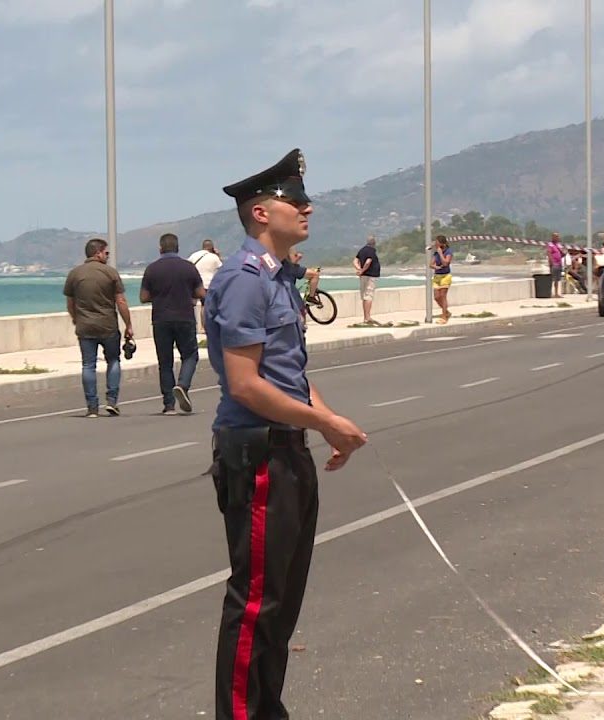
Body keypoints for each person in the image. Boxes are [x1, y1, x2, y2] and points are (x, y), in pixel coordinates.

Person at [204, 148, 367, 720]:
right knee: (256, 605)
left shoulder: (281, 278)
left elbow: (289, 375)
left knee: (282, 603)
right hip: (259, 458)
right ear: (260, 213)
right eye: (293, 199)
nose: (307, 207)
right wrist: (324, 422)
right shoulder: (245, 280)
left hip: (286, 451)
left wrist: (329, 425)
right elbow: (246, 386)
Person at [64, 238, 134, 417]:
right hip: (108, 326)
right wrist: (128, 325)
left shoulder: (75, 274)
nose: (108, 256)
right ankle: (112, 400)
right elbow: (120, 301)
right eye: (106, 253)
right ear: (98, 253)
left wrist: (75, 319)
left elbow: (70, 303)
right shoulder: (110, 273)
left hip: (85, 326)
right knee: (113, 360)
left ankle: (92, 407)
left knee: (88, 365)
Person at [141, 233, 205, 414]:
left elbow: (143, 297)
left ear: (160, 248)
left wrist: (159, 295)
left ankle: (168, 404)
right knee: (190, 355)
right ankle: (183, 385)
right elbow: (201, 292)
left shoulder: (152, 269)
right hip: (185, 317)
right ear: (177, 248)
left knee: (165, 361)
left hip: (161, 319)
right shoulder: (188, 268)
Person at [353, 235, 382, 324]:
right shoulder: (371, 251)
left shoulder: (362, 250)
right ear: (374, 243)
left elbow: (354, 261)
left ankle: (366, 317)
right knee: (369, 296)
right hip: (370, 276)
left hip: (363, 276)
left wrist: (359, 269)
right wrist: (362, 270)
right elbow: (368, 262)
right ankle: (367, 317)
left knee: (364, 296)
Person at [430, 235, 453, 322]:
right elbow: (431, 264)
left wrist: (440, 253)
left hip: (445, 276)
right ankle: (446, 311)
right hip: (437, 276)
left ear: (442, 243)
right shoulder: (436, 253)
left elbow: (446, 263)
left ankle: (444, 316)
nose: (436, 245)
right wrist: (435, 267)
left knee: (443, 296)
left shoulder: (448, 252)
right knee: (436, 297)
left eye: (437, 243)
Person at [547, 233, 564, 298]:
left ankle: (556, 293)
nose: (557, 238)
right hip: (554, 264)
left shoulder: (558, 245)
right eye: (556, 236)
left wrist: (562, 252)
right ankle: (551, 293)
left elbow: (562, 254)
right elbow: (549, 253)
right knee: (553, 278)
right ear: (553, 237)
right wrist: (551, 262)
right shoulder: (550, 245)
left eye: (558, 236)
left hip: (559, 263)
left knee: (557, 279)